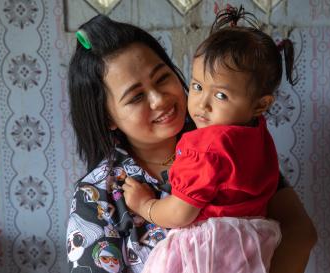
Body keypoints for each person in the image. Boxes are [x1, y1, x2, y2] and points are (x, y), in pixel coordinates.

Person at [66, 13, 317, 273]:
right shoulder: (97, 194)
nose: (159, 100)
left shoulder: (228, 142)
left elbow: (300, 233)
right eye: (136, 96)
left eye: (162, 78)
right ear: (108, 118)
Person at [121, 6, 294, 273]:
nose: (202, 104)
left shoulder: (206, 147)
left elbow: (180, 214)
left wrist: (146, 205)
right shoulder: (257, 135)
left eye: (221, 96)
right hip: (252, 251)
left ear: (261, 105)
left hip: (207, 253)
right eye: (197, 86)